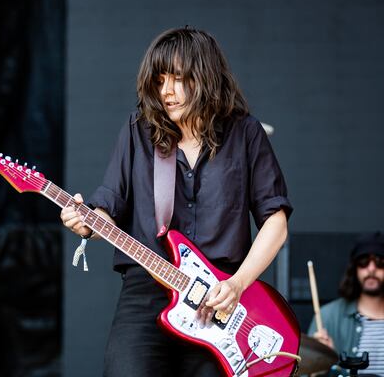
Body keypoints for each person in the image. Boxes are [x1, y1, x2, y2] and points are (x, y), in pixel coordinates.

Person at [60, 27, 292, 377]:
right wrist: (88, 221)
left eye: (178, 78)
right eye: (159, 80)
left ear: (206, 77)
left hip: (221, 298)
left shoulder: (246, 133)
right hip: (147, 289)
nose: (166, 91)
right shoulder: (138, 131)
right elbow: (108, 205)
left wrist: (237, 283)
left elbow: (275, 219)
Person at [308, 232, 384, 376]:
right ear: (354, 268)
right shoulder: (328, 316)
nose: (371, 268)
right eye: (364, 261)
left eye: (380, 262)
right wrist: (322, 359)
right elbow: (305, 372)